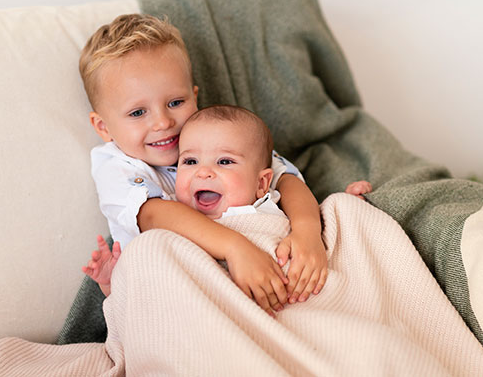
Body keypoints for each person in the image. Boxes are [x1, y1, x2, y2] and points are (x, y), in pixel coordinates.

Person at [79, 14, 330, 316]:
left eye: (175, 103)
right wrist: (236, 248)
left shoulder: (212, 135)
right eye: (137, 113)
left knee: (343, 210)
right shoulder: (116, 164)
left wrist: (306, 232)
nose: (163, 122)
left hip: (257, 265)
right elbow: (156, 216)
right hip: (179, 296)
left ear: (194, 96)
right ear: (103, 126)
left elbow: (285, 179)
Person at [88, 104, 373, 316]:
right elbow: (159, 285)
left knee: (340, 209)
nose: (204, 173)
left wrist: (327, 224)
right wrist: (116, 283)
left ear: (261, 183)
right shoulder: (179, 220)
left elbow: (289, 185)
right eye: (189, 163)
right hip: (223, 314)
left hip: (298, 295)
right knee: (146, 251)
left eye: (224, 162)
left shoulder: (264, 199)